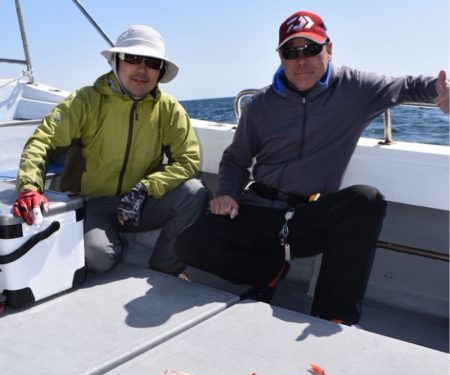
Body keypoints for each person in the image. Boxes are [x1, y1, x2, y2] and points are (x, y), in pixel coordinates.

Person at [175, 10, 449, 325]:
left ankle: (333, 315)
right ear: (280, 57)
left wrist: (440, 90)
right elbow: (236, 158)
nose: (301, 59)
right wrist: (227, 193)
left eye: (312, 48)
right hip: (258, 210)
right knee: (188, 244)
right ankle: (267, 271)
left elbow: (406, 86)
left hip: (309, 216)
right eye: (291, 51)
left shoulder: (355, 88)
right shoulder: (261, 105)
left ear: (328, 50)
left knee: (365, 200)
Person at [14, 24, 208, 277]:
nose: (141, 68)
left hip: (142, 202)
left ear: (160, 72)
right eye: (133, 58)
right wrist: (29, 188)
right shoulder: (84, 101)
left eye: (151, 62)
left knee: (195, 192)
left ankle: (166, 268)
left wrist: (145, 189)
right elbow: (43, 142)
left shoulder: (169, 109)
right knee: (99, 258)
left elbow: (188, 160)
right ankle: (101, 239)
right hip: (93, 203)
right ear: (116, 61)